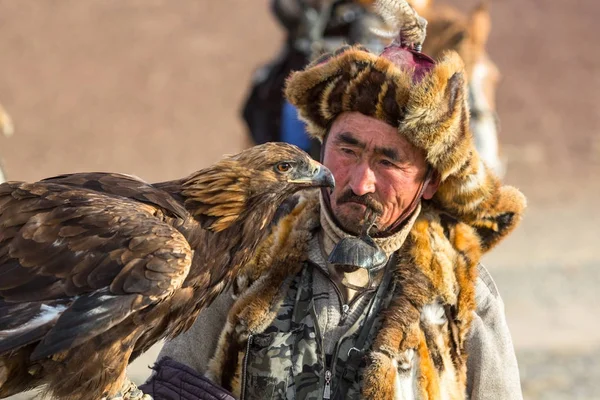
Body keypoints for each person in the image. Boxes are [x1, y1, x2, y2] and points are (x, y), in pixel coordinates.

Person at [141, 1, 526, 399]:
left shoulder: (463, 297)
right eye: (347, 150)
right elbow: (171, 387)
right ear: (321, 145)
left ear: (430, 181)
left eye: (388, 161)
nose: (359, 183)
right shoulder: (245, 267)